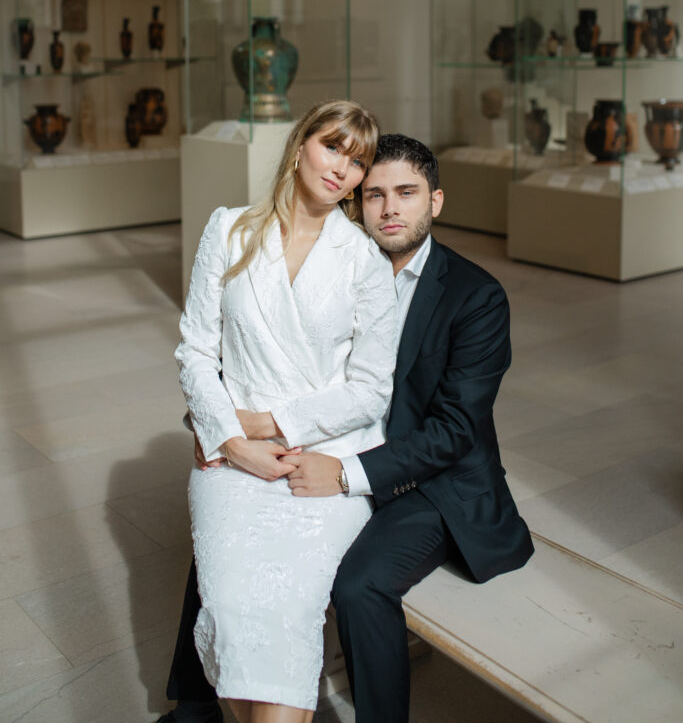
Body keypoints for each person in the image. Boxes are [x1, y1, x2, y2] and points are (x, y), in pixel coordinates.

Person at [160, 134, 533, 723]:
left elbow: (455, 431)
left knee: (359, 585)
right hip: (328, 445)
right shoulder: (336, 262)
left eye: (406, 194)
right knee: (232, 542)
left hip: (430, 482)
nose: (389, 209)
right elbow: (247, 363)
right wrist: (225, 433)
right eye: (374, 194)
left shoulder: (476, 296)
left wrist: (346, 474)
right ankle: (199, 701)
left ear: (435, 202)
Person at [171, 100, 398, 723]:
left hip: (322, 463)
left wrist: (266, 425)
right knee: (231, 604)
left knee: (287, 605)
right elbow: (195, 349)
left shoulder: (365, 263)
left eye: (358, 163)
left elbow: (371, 389)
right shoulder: (229, 229)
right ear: (301, 145)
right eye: (333, 148)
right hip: (231, 465)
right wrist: (230, 441)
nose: (343, 171)